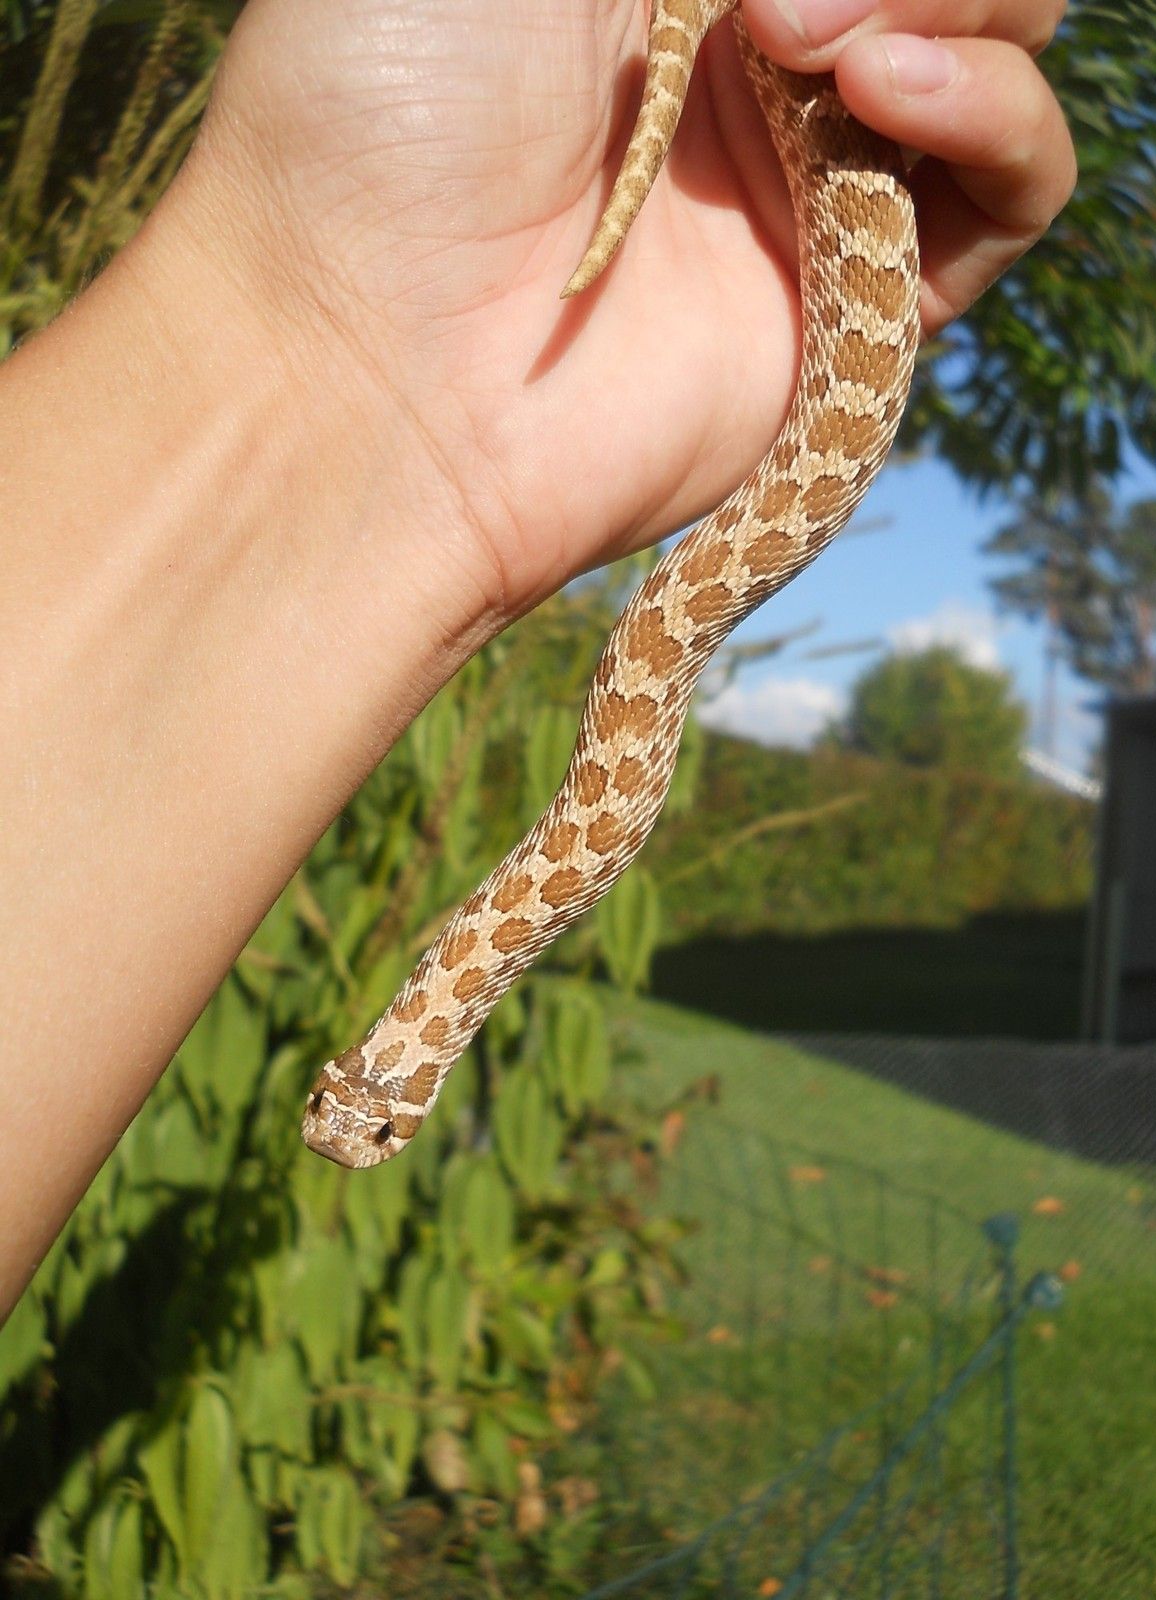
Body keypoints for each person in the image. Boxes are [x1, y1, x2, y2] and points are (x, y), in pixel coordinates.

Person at [0, 0, 1075, 1317]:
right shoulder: (484, 939)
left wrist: (322, 350)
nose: (353, 1113)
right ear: (419, 1050)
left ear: (388, 1040)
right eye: (370, 1104)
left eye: (355, 1090)